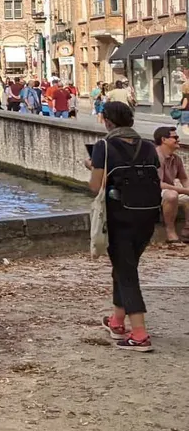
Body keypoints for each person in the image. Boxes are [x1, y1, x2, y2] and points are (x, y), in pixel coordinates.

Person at [90, 100, 162, 350]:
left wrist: (92, 167)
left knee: (127, 272)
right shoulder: (149, 146)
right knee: (124, 267)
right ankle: (117, 321)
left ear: (108, 121)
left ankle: (139, 334)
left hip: (119, 217)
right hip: (148, 216)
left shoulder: (104, 147)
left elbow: (95, 186)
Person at [154, 126, 188, 245]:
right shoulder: (155, 156)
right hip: (153, 192)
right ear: (164, 139)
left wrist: (187, 188)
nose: (178, 140)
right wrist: (183, 190)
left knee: (179, 195)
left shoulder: (176, 158)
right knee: (172, 195)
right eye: (175, 137)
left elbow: (183, 178)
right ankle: (170, 232)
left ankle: (186, 231)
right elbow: (157, 184)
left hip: (167, 189)